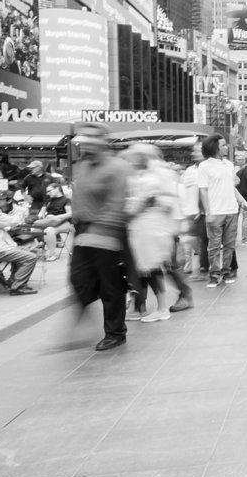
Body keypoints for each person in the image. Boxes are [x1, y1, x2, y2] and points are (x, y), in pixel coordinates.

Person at [67, 123, 132, 351]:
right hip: (83, 233)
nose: (89, 141)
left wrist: (97, 231)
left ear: (104, 140)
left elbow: (116, 206)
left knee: (110, 287)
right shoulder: (83, 165)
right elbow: (80, 198)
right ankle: (82, 321)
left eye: (94, 137)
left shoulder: (116, 167)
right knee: (79, 281)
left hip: (105, 235)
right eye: (86, 137)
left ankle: (115, 333)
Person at [123, 144, 181, 322]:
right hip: (142, 228)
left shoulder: (157, 174)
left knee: (152, 267)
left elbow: (166, 199)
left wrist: (143, 203)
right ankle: (139, 307)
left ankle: (162, 307)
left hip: (152, 229)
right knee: (144, 268)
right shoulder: (142, 174)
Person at [195, 136, 247, 287]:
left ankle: (226, 272)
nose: (227, 147)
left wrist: (241, 201)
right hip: (215, 211)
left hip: (231, 209)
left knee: (230, 244)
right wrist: (208, 212)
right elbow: (203, 191)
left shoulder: (229, 165)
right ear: (215, 147)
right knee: (214, 245)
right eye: (223, 145)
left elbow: (231, 186)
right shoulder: (204, 166)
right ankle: (214, 275)